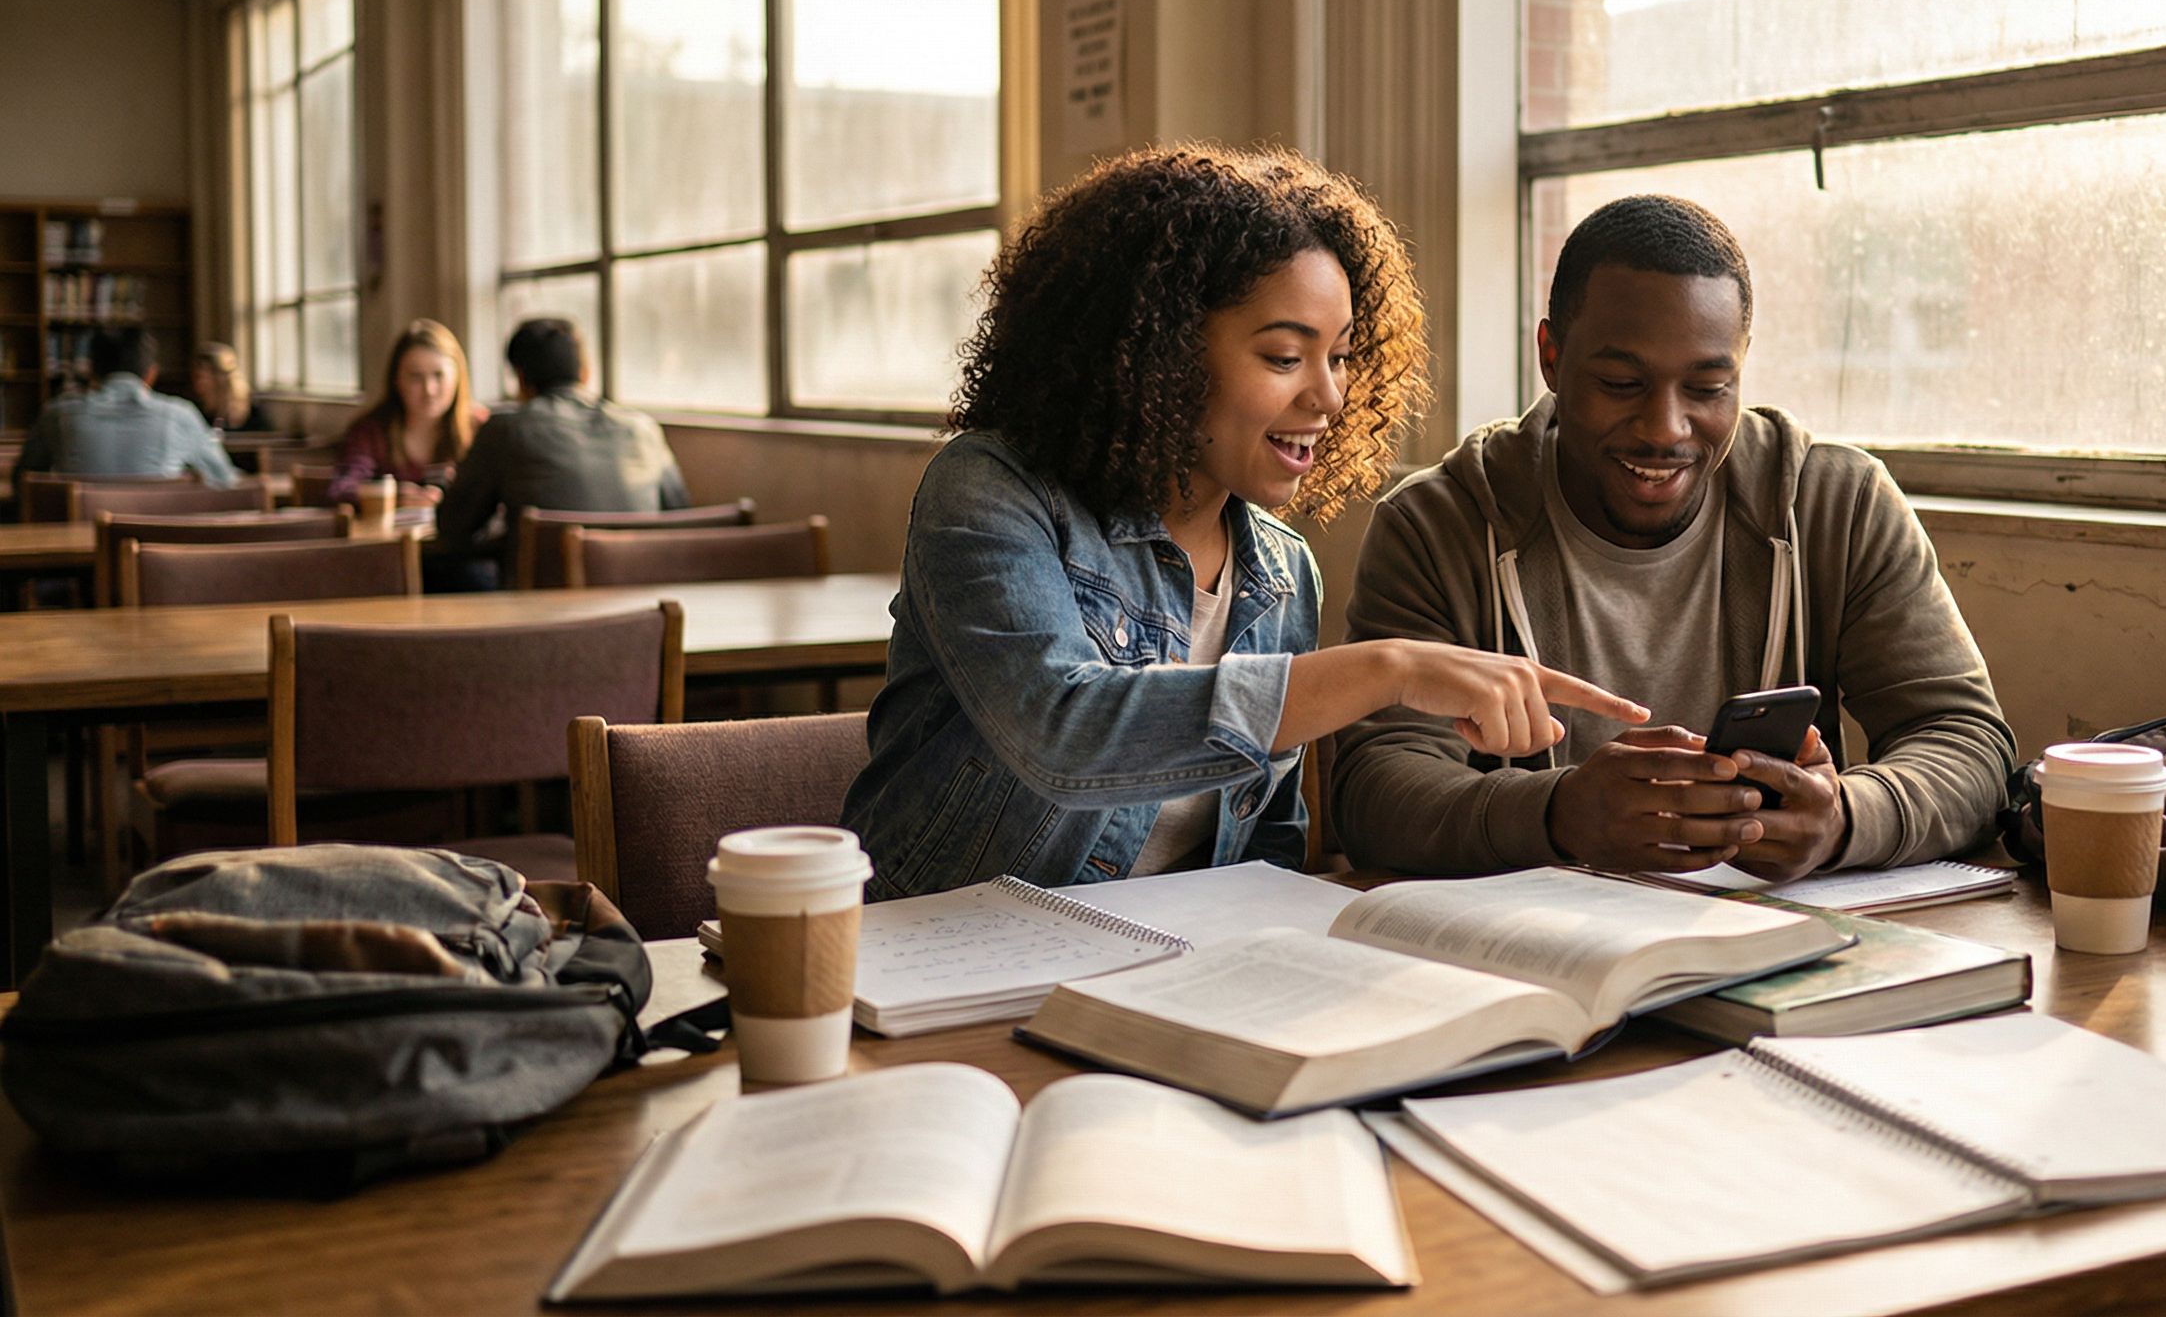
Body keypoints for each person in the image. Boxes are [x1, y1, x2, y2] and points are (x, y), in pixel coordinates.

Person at [840, 146, 1645, 901]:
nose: (1329, 398)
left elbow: (1262, 853)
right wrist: (1386, 670)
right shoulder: (989, 490)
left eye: (1340, 356)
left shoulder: (1282, 570)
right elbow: (1063, 733)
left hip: (1157, 973)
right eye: (1286, 358)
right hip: (937, 964)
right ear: (1157, 352)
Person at [1329, 193, 2015, 882]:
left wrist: (1845, 819)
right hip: (1528, 957)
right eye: (1621, 383)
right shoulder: (1437, 525)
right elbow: (1373, 793)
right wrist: (1558, 813)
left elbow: (1967, 744)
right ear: (1551, 356)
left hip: (1766, 945)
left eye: (1708, 388)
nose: (1665, 428)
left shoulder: (1837, 505)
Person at [434, 318, 689, 560]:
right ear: (585, 373)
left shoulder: (506, 430)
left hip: (544, 599)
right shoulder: (642, 428)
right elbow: (680, 516)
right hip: (642, 590)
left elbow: (454, 527)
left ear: (521, 379)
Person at [13, 329, 237, 495]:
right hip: (159, 546)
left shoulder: (56, 414)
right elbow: (226, 480)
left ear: (91, 372)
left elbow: (21, 481)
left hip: (78, 544)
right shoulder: (180, 415)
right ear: (151, 374)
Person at [330, 320, 487, 508]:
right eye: (415, 377)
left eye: (438, 375)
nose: (429, 389)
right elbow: (341, 489)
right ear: (396, 380)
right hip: (387, 537)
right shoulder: (371, 431)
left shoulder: (480, 426)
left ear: (458, 377)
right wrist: (392, 498)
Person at [187, 343, 277, 434]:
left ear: (218, 378)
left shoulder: (251, 413)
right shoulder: (194, 407)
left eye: (200, 377)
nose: (196, 382)